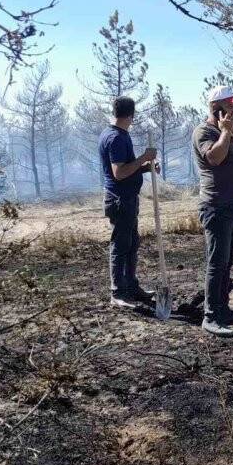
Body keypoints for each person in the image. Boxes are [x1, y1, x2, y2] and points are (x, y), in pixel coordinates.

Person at [192, 85, 233, 336]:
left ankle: (223, 308)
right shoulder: (204, 132)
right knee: (216, 262)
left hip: (232, 207)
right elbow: (215, 158)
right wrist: (226, 133)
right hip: (215, 207)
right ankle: (211, 315)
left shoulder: (230, 132)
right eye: (231, 105)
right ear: (217, 108)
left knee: (227, 261)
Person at [99, 96, 158, 307]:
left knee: (132, 243)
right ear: (131, 115)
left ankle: (131, 286)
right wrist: (143, 158)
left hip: (127, 199)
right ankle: (118, 293)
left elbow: (126, 167)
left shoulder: (119, 134)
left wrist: (144, 168)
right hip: (119, 200)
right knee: (121, 246)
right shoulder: (115, 138)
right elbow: (119, 173)